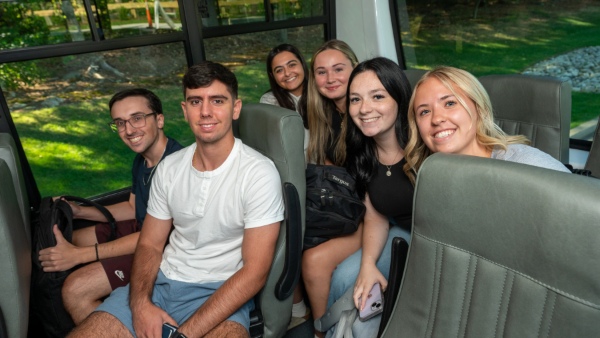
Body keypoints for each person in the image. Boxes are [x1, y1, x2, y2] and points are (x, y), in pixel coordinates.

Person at [67, 61, 285, 338]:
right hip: (160, 283)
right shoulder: (170, 168)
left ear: (236, 108)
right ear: (184, 110)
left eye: (217, 100)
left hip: (221, 292)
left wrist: (182, 335)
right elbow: (149, 244)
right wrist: (140, 304)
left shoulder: (258, 173)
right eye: (195, 101)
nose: (205, 112)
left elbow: (254, 271)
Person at [38, 88, 183, 324]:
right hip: (143, 230)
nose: (128, 130)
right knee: (70, 238)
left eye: (137, 118)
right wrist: (81, 211)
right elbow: (132, 207)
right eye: (120, 123)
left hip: (167, 250)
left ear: (159, 119)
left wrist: (80, 257)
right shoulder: (143, 159)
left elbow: (156, 237)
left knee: (76, 289)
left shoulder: (177, 167)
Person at [326, 57, 414, 338]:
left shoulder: (425, 144)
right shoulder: (363, 152)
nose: (364, 109)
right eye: (355, 100)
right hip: (399, 229)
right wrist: (367, 266)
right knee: (343, 278)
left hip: (436, 239)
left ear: (399, 98)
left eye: (377, 97)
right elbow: (375, 215)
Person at [404, 65, 572, 180]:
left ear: (479, 109)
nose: (436, 118)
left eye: (449, 103)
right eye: (424, 112)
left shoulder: (526, 163)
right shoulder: (430, 175)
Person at [301, 39, 360, 337]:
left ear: (356, 69)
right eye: (322, 72)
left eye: (339, 69)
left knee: (314, 260)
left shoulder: (368, 115)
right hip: (347, 203)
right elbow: (330, 171)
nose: (330, 78)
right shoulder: (325, 117)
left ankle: (322, 331)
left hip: (372, 211)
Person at [261, 43, 310, 161]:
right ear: (273, 76)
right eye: (279, 70)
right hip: (293, 169)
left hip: (327, 168)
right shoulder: (269, 102)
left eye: (292, 65)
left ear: (302, 64)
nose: (287, 73)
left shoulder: (320, 92)